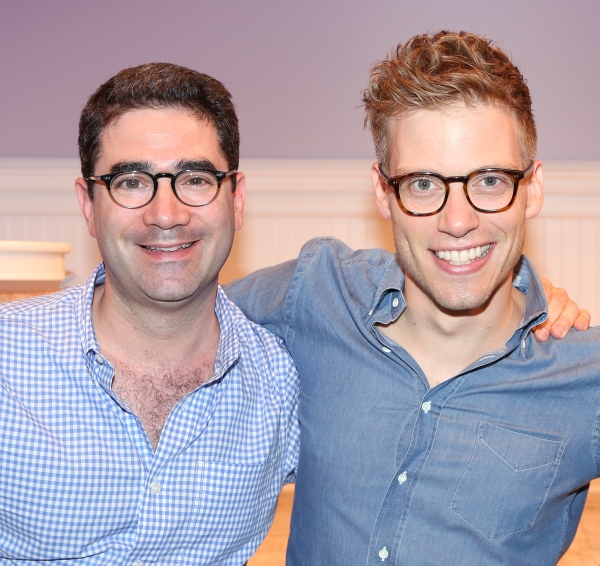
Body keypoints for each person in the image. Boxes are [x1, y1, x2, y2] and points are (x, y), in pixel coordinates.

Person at [225, 31, 598, 564]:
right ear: (384, 192)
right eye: (424, 184)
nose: (459, 221)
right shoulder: (317, 292)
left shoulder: (582, 374)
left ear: (531, 188)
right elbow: (170, 321)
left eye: (490, 180)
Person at [0, 63, 298, 564]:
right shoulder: (8, 359)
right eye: (132, 181)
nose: (166, 214)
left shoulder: (284, 383)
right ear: (89, 205)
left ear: (236, 200)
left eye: (195, 178)